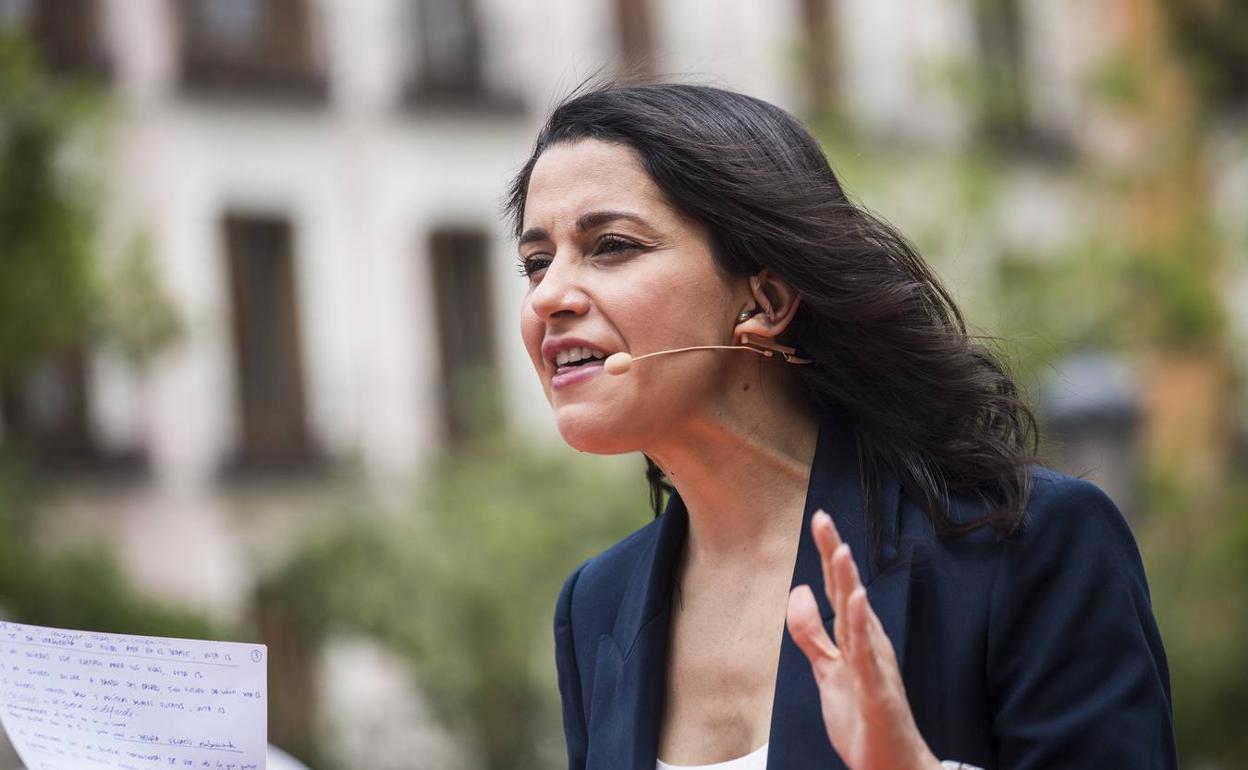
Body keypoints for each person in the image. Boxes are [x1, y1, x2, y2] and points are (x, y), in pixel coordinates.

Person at [505, 82, 1177, 770]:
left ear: (764, 299)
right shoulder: (596, 605)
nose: (550, 295)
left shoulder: (1026, 544)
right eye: (535, 263)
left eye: (611, 245)